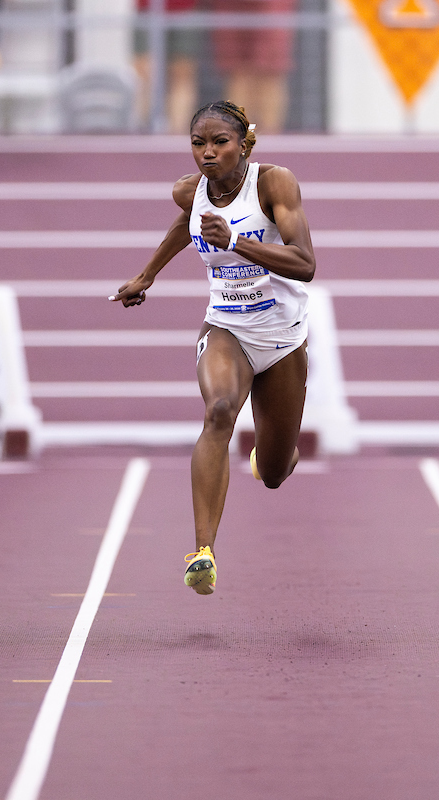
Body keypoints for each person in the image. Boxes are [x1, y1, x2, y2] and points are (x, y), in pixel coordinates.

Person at [111, 100, 315, 595]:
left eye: (220, 142)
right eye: (198, 143)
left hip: (282, 336)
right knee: (219, 411)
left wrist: (236, 241)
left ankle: (272, 454)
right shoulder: (190, 191)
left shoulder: (274, 184)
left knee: (274, 473)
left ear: (244, 144)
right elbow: (187, 225)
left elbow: (305, 263)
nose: (207, 153)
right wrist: (147, 275)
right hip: (226, 326)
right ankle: (203, 551)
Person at [211, 0, 294, 133]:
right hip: (231, 8)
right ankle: (243, 135)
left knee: (269, 71)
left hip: (271, 7)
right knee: (238, 72)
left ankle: (270, 136)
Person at [133, 0, 201, 132]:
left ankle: (177, 133)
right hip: (147, 11)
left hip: (185, 9)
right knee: (146, 74)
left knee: (182, 75)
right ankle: (144, 131)